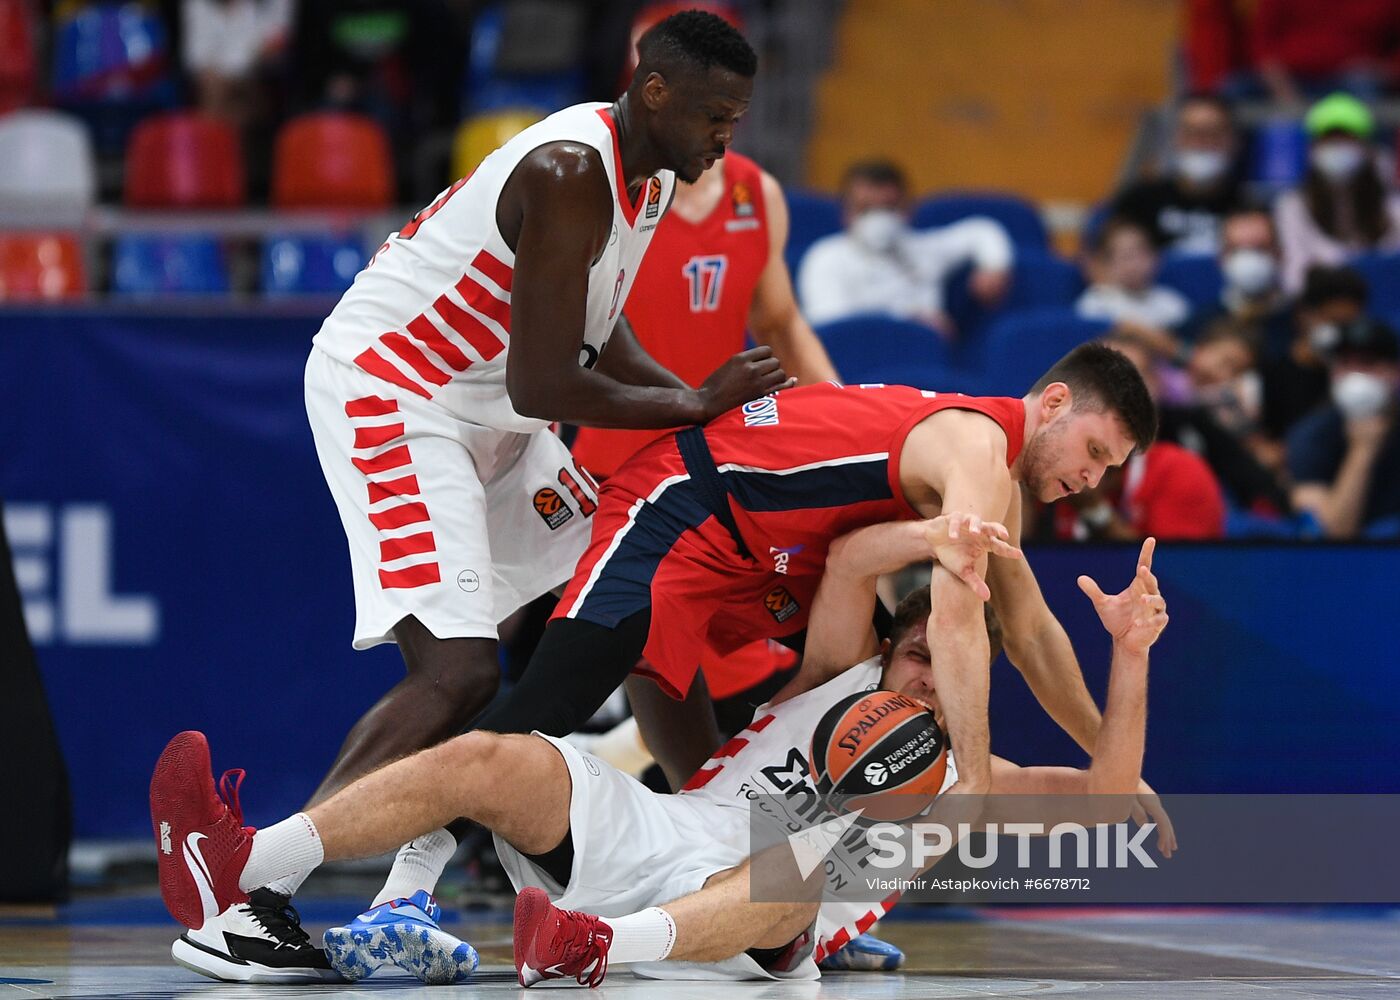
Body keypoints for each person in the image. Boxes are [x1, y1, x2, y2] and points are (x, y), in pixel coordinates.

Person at [174, 11, 793, 983]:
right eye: (716, 114)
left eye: (739, 117)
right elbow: (548, 383)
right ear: (655, 92)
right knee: (458, 670)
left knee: (618, 592)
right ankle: (247, 899)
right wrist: (688, 400)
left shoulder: (652, 177)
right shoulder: (566, 173)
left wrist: (690, 409)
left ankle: (408, 891)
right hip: (398, 392)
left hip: (488, 408)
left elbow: (596, 331)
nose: (728, 136)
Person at [148, 517, 1171, 985]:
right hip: (658, 828)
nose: (917, 671)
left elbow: (1111, 792)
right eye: (909, 650)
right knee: (500, 749)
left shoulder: (966, 778)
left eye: (935, 661)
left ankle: (597, 948)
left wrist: (1127, 653)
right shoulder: (835, 674)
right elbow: (858, 554)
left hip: (761, 929)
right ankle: (243, 862)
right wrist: (955, 538)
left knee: (806, 864)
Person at [797, 159, 1012, 334]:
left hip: (925, 362)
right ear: (846, 214)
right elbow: (831, 327)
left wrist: (994, 266)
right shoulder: (825, 257)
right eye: (865, 209)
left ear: (908, 209)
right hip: (856, 368)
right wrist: (909, 320)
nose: (878, 219)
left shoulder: (924, 248)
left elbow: (981, 231)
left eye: (888, 208)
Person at [1274, 93, 1400, 294]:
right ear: (1312, 148)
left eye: (1347, 140)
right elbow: (1294, 278)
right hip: (1320, 308)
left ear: (1368, 148)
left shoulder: (1394, 208)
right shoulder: (1291, 206)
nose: (1337, 149)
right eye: (1328, 141)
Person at [1288, 317, 1400, 538]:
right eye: (1344, 364)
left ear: (1396, 371)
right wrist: (1362, 450)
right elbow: (1332, 536)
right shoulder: (1310, 435)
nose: (1355, 375)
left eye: (1368, 363)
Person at [1107, 93, 1246, 255]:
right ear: (1176, 138)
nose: (1201, 143)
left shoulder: (1248, 205)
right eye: (1191, 132)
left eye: (1212, 133)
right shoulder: (1139, 201)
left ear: (1233, 140)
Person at [1183, 207, 1293, 357]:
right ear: (1221, 259)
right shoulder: (1199, 324)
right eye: (1236, 250)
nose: (1248, 260)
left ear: (1280, 253)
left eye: (1259, 249)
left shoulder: (1303, 321)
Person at [1076, 217, 1191, 330]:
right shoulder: (1095, 303)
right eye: (1126, 257)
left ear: (1155, 257)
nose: (1134, 265)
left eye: (1140, 255)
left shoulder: (1172, 304)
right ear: (1106, 263)